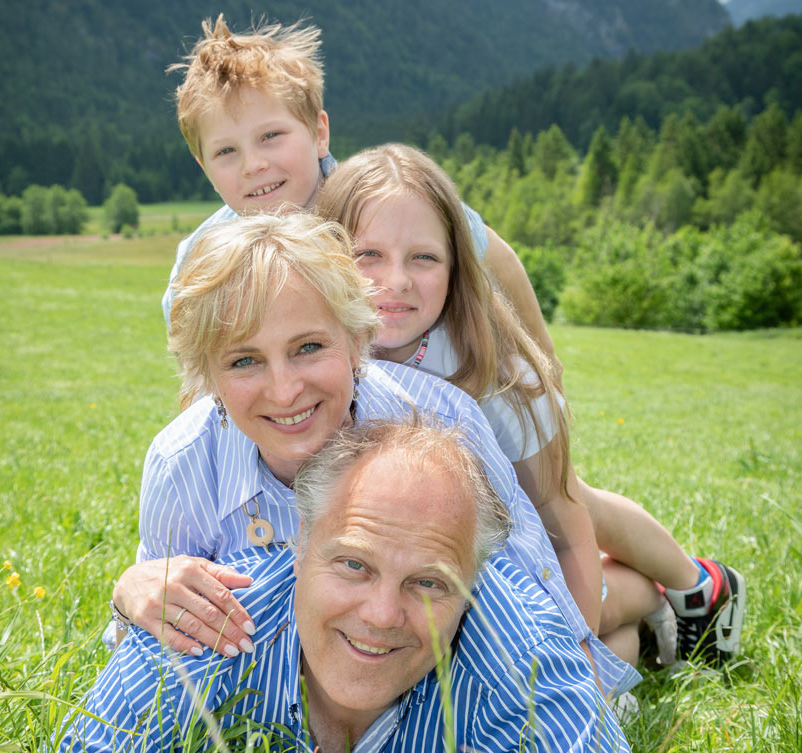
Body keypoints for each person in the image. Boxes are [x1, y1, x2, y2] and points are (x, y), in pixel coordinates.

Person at [110, 211, 639, 698]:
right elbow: (158, 619)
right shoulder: (182, 462)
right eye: (244, 361)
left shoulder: (443, 421)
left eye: (309, 348)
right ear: (209, 378)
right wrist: (130, 590)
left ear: (358, 339)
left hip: (433, 665)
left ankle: (649, 601)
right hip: (315, 683)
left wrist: (580, 688)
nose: (285, 389)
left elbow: (526, 581)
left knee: (609, 645)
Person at [316, 143, 746, 667]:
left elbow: (564, 521)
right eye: (369, 255)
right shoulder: (311, 354)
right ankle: (635, 623)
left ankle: (659, 594)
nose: (396, 280)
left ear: (456, 264)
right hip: (444, 556)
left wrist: (573, 656)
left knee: (569, 521)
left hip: (519, 552)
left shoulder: (494, 375)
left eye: (423, 257)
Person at [60, 416, 630, 752]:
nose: (382, 614)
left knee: (617, 661)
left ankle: (658, 605)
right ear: (302, 541)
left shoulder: (524, 661)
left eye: (429, 583)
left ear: (475, 585)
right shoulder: (196, 639)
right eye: (355, 565)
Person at [160, 14, 546, 363]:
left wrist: (546, 361)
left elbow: (496, 255)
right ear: (204, 167)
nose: (253, 165)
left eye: (271, 136)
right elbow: (195, 368)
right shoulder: (199, 263)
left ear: (319, 133)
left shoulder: (385, 199)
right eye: (226, 151)